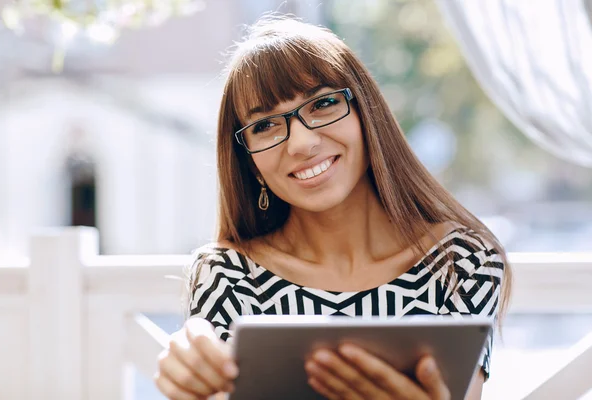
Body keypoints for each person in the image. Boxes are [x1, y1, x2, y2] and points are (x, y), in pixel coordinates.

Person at [154, 14, 511, 400]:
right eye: (265, 126)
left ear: (366, 114)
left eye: (322, 103)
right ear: (249, 163)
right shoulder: (226, 275)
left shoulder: (463, 261)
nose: (301, 143)